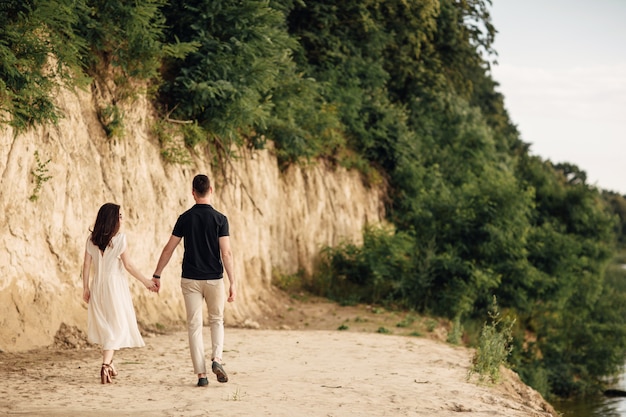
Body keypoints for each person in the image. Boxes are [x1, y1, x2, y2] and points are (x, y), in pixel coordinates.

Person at [152, 174, 236, 387]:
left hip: (190, 279)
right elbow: (226, 253)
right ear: (211, 190)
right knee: (216, 320)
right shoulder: (220, 219)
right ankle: (217, 359)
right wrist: (233, 281)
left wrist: (157, 274)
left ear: (192, 192)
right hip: (214, 280)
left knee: (194, 326)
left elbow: (169, 248)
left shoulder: (185, 218)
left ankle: (201, 375)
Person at [82, 203, 157, 384]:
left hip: (97, 285)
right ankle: (105, 366)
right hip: (114, 286)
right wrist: (147, 282)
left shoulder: (91, 239)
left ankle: (110, 364)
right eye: (120, 216)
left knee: (107, 326)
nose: (122, 219)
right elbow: (128, 266)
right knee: (116, 326)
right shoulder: (120, 239)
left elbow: (86, 265)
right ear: (112, 220)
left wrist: (85, 288)